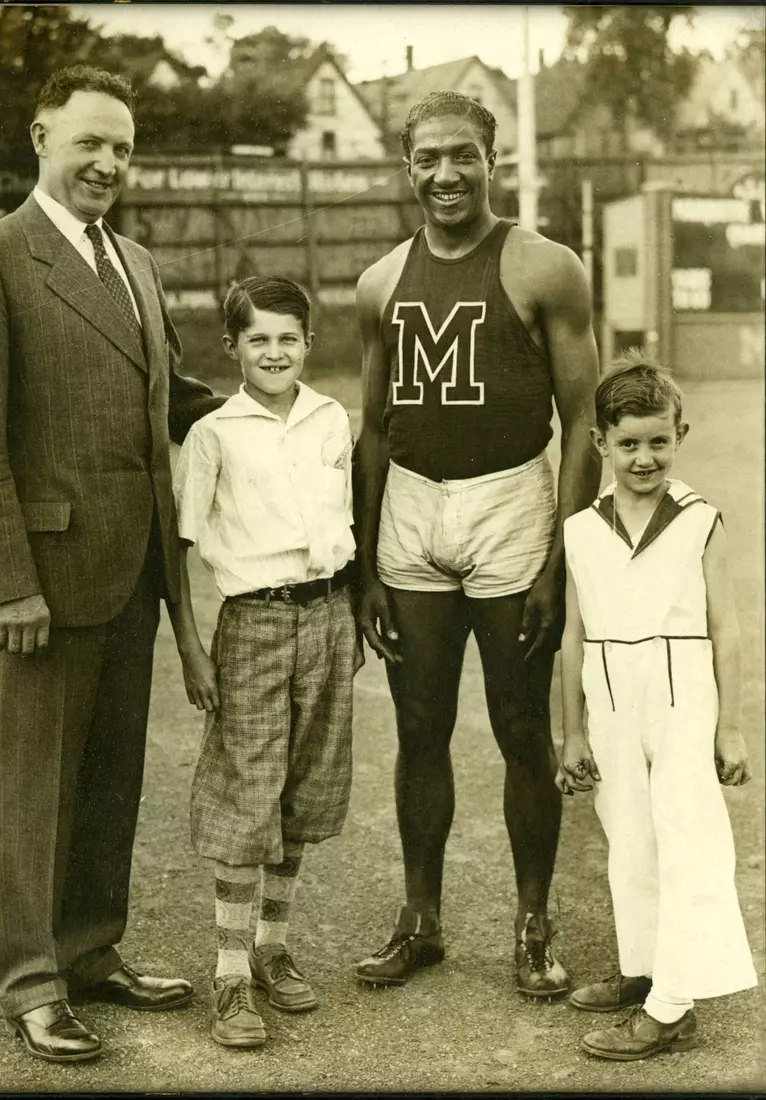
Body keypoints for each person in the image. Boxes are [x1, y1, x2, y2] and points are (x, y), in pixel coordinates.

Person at [0, 65, 224, 1063]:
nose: (109, 162)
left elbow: (162, 393)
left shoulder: (133, 260)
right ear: (42, 135)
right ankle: (30, 977)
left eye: (124, 148)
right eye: (90, 141)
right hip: (42, 580)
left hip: (132, 567)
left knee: (110, 776)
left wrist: (281, 414)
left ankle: (90, 948)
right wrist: (5, 581)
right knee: (34, 783)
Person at [354, 90, 602, 996]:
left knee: (520, 728)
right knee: (419, 728)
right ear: (407, 166)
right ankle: (421, 920)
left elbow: (583, 420)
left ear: (492, 160)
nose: (446, 175)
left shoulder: (545, 267)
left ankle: (534, 925)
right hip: (413, 513)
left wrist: (558, 556)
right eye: (428, 158)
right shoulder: (380, 281)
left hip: (510, 504)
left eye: (464, 156)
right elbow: (375, 425)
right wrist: (367, 556)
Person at [170, 276, 361, 1049]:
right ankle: (229, 975)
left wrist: (353, 618)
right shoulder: (216, 432)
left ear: (309, 342)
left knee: (305, 791)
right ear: (234, 348)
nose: (275, 351)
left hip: (329, 617)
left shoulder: (331, 421)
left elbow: (349, 521)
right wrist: (190, 644)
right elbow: (178, 547)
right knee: (245, 794)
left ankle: (273, 947)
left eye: (288, 337)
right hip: (251, 622)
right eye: (259, 339)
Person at [556, 351, 756, 1060]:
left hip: (680, 691)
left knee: (687, 836)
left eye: (659, 441)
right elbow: (572, 637)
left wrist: (729, 725)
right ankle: (645, 968)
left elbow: (726, 627)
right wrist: (572, 732)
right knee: (629, 837)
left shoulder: (701, 520)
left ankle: (674, 1005)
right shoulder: (581, 528)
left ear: (681, 433)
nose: (645, 457)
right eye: (629, 443)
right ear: (599, 443)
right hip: (611, 694)